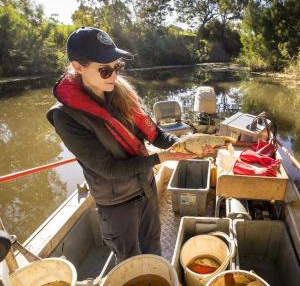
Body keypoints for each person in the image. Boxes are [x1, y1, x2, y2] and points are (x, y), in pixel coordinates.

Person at [46, 27, 199, 263]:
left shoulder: (122, 93)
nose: (115, 76)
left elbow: (154, 133)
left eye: (118, 67)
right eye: (105, 70)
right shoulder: (66, 117)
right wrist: (161, 158)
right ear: (78, 67)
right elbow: (108, 169)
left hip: (146, 188)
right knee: (129, 261)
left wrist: (183, 145)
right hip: (117, 204)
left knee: (153, 248)